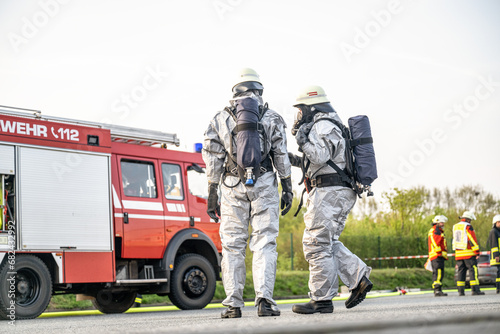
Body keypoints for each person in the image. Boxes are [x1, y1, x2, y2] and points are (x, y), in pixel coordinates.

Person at [202, 68, 293, 318]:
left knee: (232, 246)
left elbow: (212, 157)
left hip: (231, 186)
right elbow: (281, 155)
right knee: (264, 241)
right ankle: (264, 300)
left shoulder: (220, 119)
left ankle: (233, 304)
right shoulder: (272, 117)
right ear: (260, 89)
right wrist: (287, 186)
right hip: (263, 183)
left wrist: (212, 191)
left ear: (235, 91)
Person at [288, 85, 372, 314]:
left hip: (329, 192)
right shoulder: (327, 124)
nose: (298, 116)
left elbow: (320, 156)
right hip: (335, 190)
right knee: (327, 242)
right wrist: (292, 159)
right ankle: (359, 278)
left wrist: (302, 140)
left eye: (300, 110)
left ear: (311, 108)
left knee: (315, 244)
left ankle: (322, 300)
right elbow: (319, 162)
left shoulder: (323, 125)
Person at [453, 211, 484, 296]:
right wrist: (476, 251)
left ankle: (460, 291)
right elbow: (471, 238)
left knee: (461, 272)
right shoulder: (468, 226)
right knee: (472, 271)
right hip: (468, 253)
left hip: (459, 254)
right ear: (468, 219)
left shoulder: (455, 226)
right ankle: (475, 290)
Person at [427, 215, 448, 296]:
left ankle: (437, 290)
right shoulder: (436, 230)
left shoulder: (436, 230)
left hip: (436, 255)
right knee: (438, 272)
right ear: (437, 222)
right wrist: (439, 253)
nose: (443, 224)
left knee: (438, 272)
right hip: (437, 255)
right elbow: (436, 242)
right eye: (441, 223)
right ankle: (437, 290)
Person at [488, 214, 500, 294]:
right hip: (497, 256)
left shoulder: (498, 231)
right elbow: (494, 244)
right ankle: (498, 288)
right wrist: (496, 255)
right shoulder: (493, 232)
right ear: (496, 223)